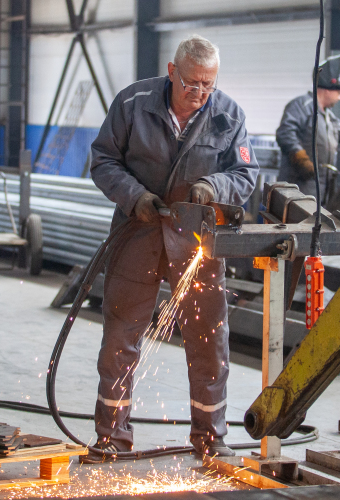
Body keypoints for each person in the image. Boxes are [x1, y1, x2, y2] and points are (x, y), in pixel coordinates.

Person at [86, 34, 259, 463]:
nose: (199, 93)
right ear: (171, 72)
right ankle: (111, 438)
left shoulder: (228, 114)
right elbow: (103, 160)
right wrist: (135, 198)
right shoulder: (132, 103)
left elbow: (245, 173)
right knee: (120, 338)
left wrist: (212, 185)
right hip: (137, 233)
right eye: (191, 83)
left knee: (207, 342)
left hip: (196, 241)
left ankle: (211, 438)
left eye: (208, 85)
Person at [276, 54, 340, 198]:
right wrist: (300, 159)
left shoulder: (328, 117)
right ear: (328, 89)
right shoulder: (301, 106)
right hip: (298, 187)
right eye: (339, 92)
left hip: (321, 189)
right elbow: (285, 133)